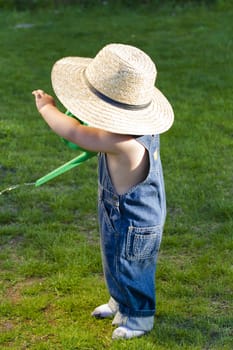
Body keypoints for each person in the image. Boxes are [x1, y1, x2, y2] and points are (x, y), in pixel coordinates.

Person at [32, 43, 174, 340]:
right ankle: (120, 302)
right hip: (120, 213)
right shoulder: (139, 129)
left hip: (135, 222)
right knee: (114, 258)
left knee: (132, 266)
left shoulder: (120, 142)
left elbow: (74, 133)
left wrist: (47, 107)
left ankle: (139, 317)